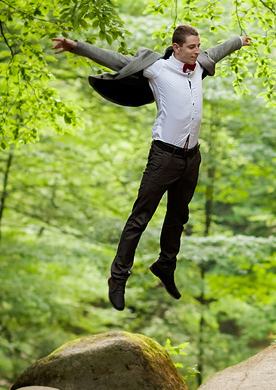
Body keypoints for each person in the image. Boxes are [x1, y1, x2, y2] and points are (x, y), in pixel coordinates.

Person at [52, 26, 252, 310]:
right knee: (140, 218)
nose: (197, 51)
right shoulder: (157, 69)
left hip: (191, 158)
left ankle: (165, 266)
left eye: (199, 46)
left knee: (178, 217)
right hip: (164, 157)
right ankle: (118, 278)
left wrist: (239, 41)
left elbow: (219, 50)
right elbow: (116, 60)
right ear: (177, 47)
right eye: (192, 47)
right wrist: (77, 46)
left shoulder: (199, 66)